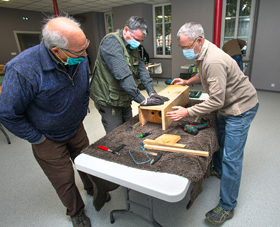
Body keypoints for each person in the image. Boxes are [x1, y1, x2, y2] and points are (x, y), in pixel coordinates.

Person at [0, 16, 100, 227]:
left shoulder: (76, 55)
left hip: (75, 127)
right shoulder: (22, 69)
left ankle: (93, 189)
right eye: (79, 52)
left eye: (85, 46)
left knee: (87, 164)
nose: (85, 55)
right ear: (56, 51)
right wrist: (38, 138)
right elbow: (6, 113)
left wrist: (80, 114)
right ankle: (76, 211)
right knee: (64, 179)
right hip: (47, 138)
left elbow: (83, 86)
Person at [166, 22, 259, 225]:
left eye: (185, 46)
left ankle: (227, 207)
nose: (184, 51)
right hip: (227, 105)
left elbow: (216, 100)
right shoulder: (204, 52)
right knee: (221, 139)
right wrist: (188, 82)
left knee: (231, 159)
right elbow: (204, 74)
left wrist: (187, 112)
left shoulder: (214, 60)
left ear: (198, 40)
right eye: (181, 47)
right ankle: (217, 168)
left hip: (240, 108)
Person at [90, 16, 168, 134]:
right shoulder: (111, 42)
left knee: (129, 129)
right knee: (116, 134)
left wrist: (152, 92)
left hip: (124, 96)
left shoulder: (131, 45)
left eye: (141, 41)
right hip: (108, 99)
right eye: (137, 39)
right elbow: (123, 75)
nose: (138, 43)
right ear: (126, 29)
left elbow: (141, 68)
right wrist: (142, 100)